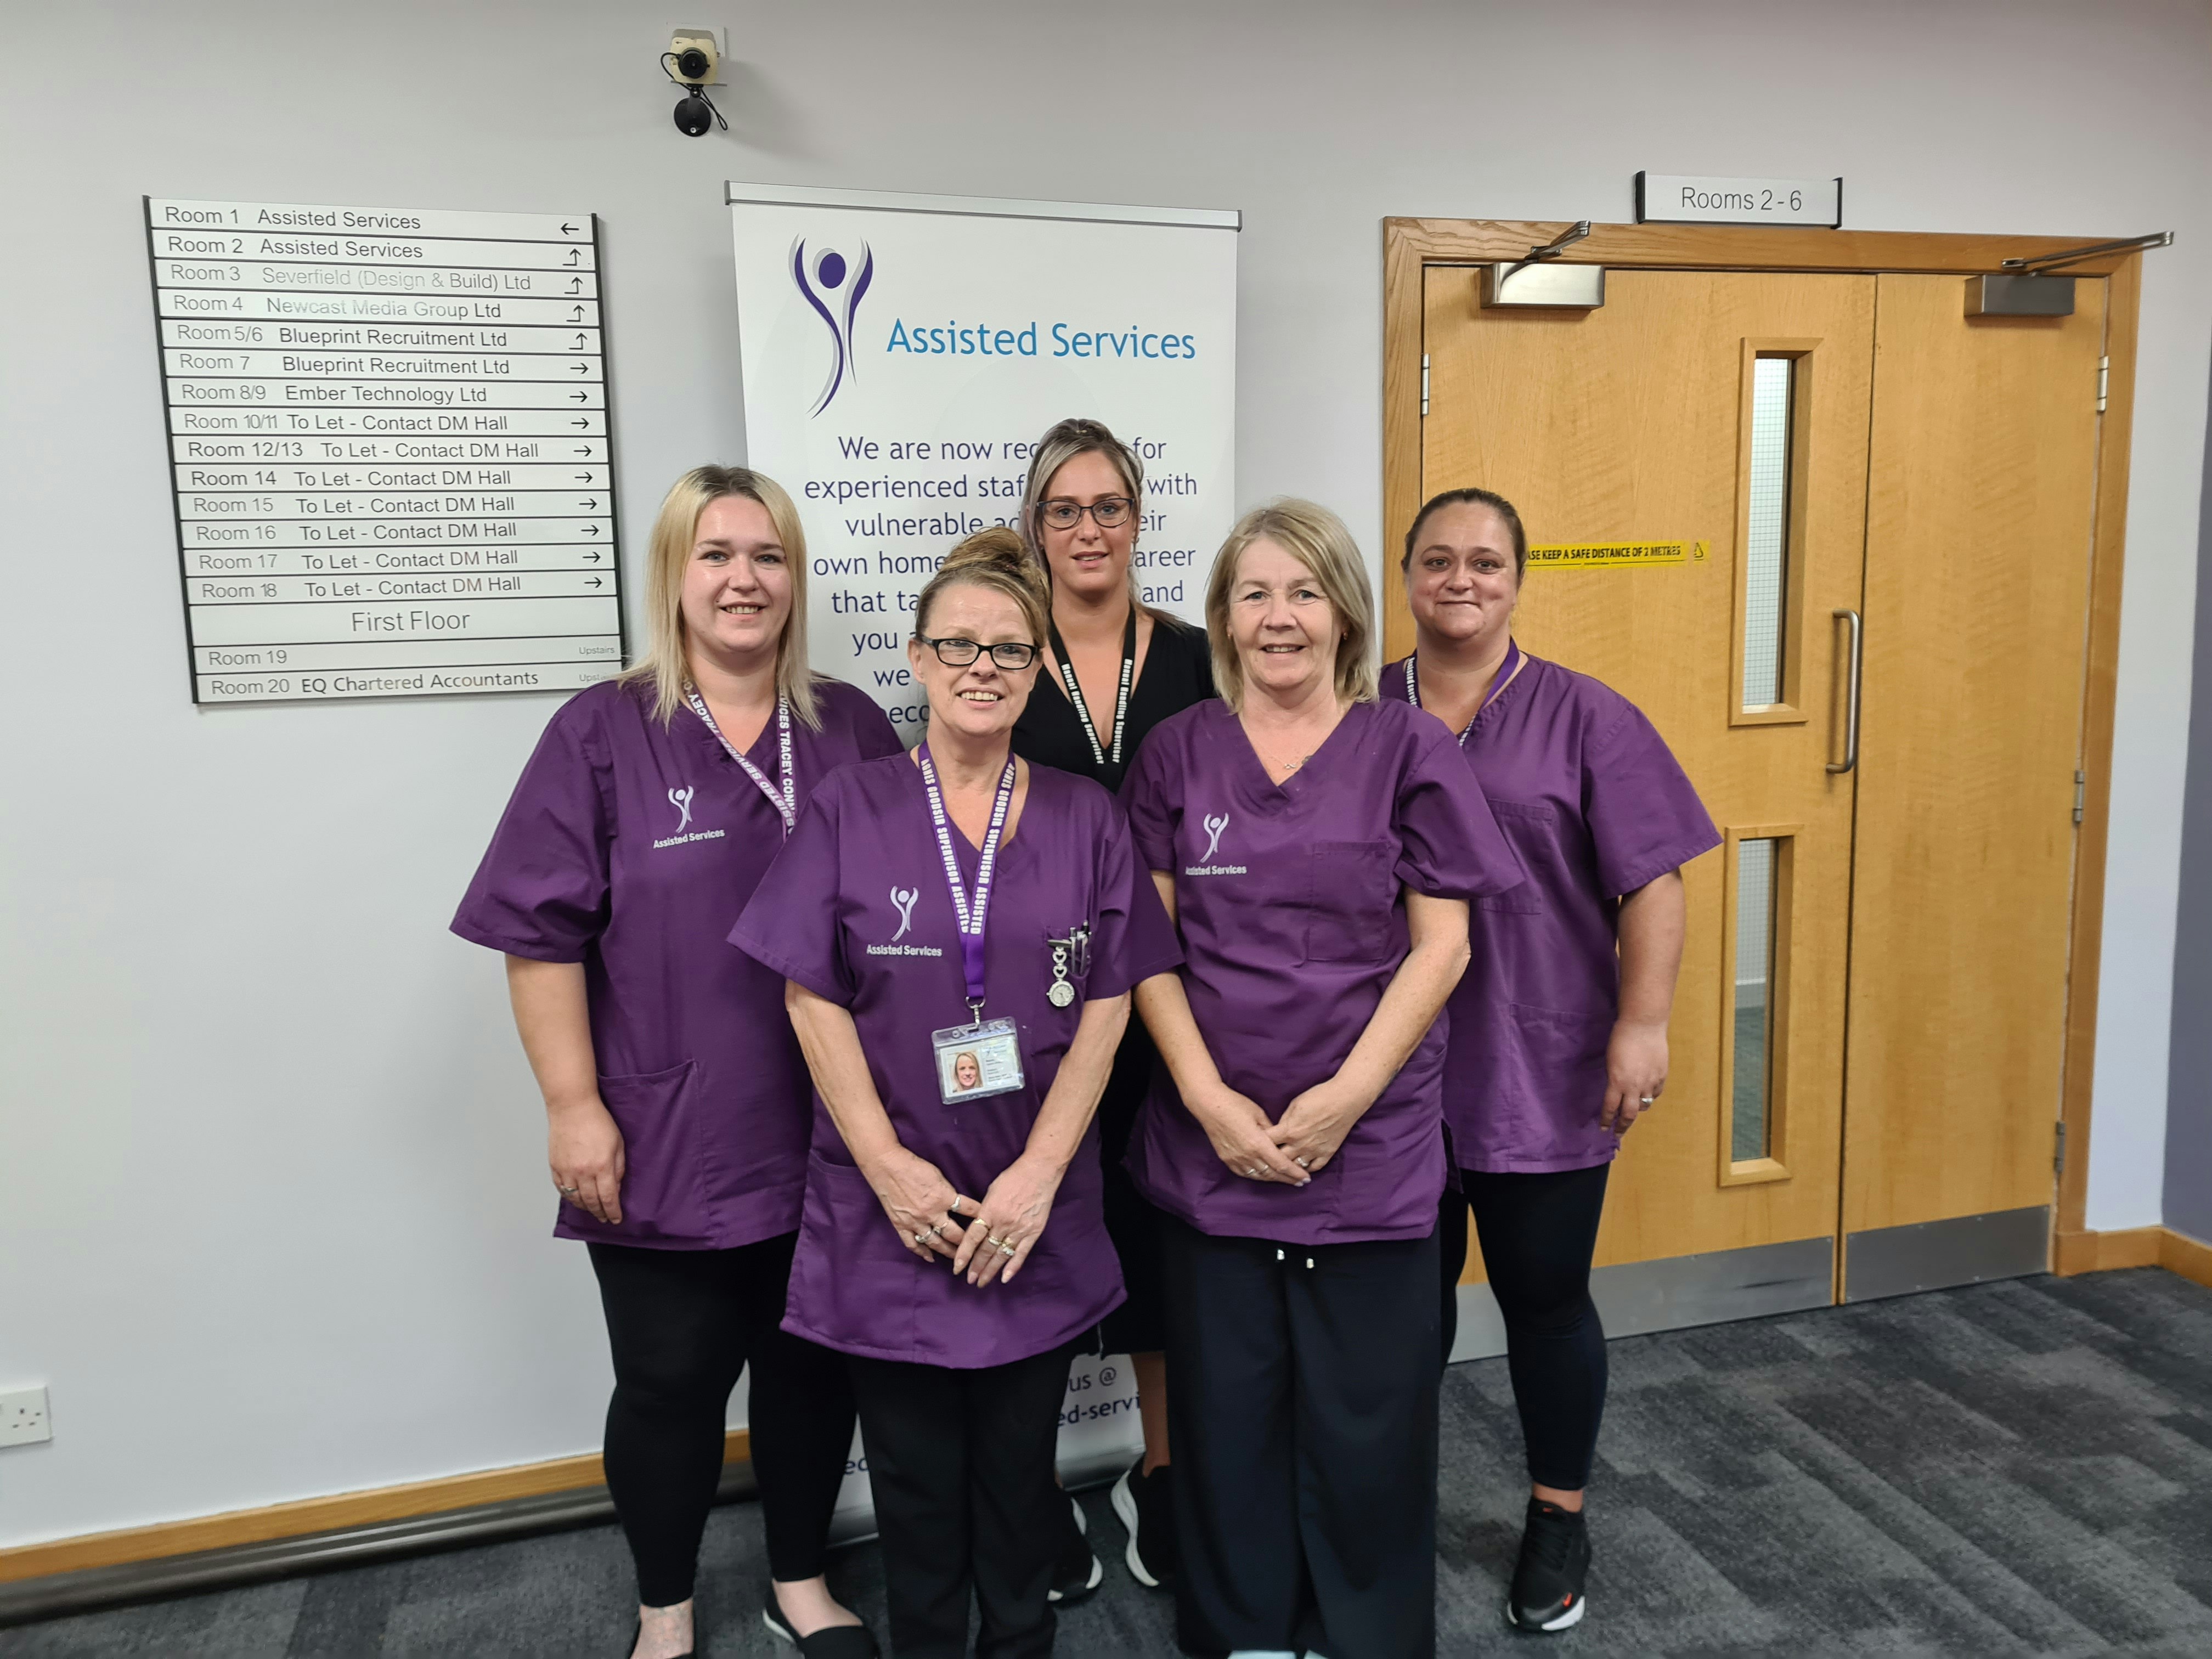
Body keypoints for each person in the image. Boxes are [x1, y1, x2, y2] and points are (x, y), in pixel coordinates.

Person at [453, 466, 898, 1659]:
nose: (745, 579)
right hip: (668, 1128)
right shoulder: (601, 733)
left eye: (768, 556)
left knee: (813, 1373)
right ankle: (666, 1606)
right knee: (668, 1385)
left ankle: (799, 1580)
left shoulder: (849, 726)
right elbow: (537, 940)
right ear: (674, 576)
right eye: (716, 556)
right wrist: (572, 1107)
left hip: (831, 1124)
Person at [731, 529, 1182, 1659]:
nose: (983, 667)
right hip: (893, 1208)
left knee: (1021, 1484)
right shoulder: (848, 806)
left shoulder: (1087, 816)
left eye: (1009, 651)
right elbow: (808, 999)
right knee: (917, 1492)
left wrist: (1038, 1176)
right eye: (959, 646)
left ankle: (1017, 1644)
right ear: (919, 663)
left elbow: (1112, 1004)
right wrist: (886, 1167)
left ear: (1035, 673)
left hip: (1036, 1205)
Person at [1122, 500, 1522, 1659]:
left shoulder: (1408, 748)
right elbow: (1145, 948)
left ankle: (1365, 1634)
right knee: (1228, 1412)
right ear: (1224, 618)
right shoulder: (1179, 753)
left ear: (1345, 608)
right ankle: (1244, 1628)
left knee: (1368, 1418)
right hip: (1215, 1136)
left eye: (1302, 591)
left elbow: (1442, 947)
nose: (1279, 616)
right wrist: (1203, 1096)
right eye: (1253, 594)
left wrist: (1346, 1097)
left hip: (1375, 1139)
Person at [1385, 487, 1718, 1636]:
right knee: (1396, 1318)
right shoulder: (1357, 707)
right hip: (1387, 1074)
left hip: (1540, 1058)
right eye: (1438, 561)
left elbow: (1656, 877)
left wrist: (1644, 1022)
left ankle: (1557, 1513)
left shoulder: (1586, 717)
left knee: (1543, 1299)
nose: (1461, 581)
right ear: (1406, 576)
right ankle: (1382, 1514)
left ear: (1518, 579)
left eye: (1485, 562)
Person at [1008, 416, 1215, 1592]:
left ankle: (1162, 1476)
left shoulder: (1192, 654)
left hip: (1176, 994)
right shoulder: (998, 648)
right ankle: (1025, 1486)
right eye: (1065, 510)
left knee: (1162, 1242)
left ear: (1140, 519)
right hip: (1036, 1006)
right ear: (1037, 526)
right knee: (1032, 1231)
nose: (1089, 529)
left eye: (1109, 507)